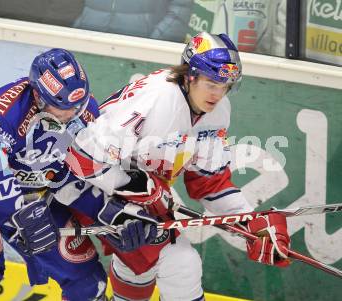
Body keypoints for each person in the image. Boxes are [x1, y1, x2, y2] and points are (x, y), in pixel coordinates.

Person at [67, 32, 291, 301]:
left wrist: (251, 222)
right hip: (86, 189)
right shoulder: (158, 99)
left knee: (144, 259)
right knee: (181, 265)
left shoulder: (217, 113)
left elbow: (210, 183)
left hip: (137, 198)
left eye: (226, 85)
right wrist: (133, 187)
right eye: (211, 83)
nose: (218, 94)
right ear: (190, 75)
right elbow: (82, 158)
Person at [0, 48, 111, 301]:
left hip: (36, 202)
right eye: (61, 107)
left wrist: (113, 212)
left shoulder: (85, 113)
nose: (71, 115)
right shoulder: (3, 111)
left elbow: (75, 177)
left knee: (87, 284)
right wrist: (20, 214)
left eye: (78, 105)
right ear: (38, 96)